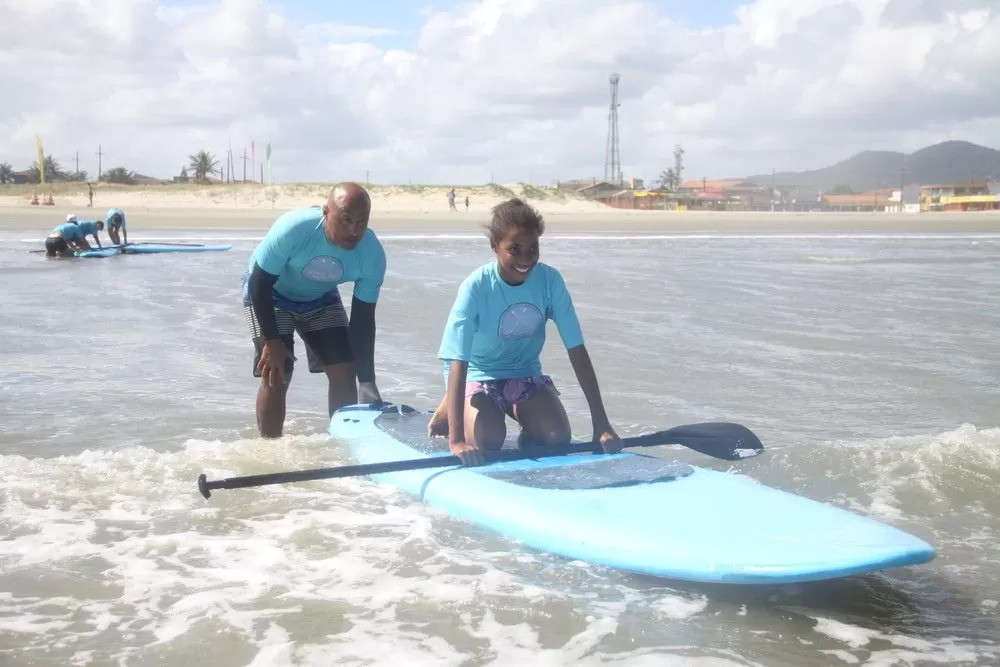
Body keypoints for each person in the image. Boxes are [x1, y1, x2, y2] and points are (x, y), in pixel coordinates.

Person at [428, 197, 623, 466]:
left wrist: (601, 423)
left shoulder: (550, 281)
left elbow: (576, 349)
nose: (525, 258)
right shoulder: (476, 287)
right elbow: (457, 359)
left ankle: (525, 419)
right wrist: (457, 440)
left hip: (524, 374)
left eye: (533, 248)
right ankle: (452, 402)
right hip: (478, 373)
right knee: (489, 441)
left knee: (557, 438)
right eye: (514, 249)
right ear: (494, 246)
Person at [242, 182, 386, 438]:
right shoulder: (295, 230)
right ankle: (270, 448)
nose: (353, 230)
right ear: (326, 212)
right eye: (345, 220)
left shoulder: (371, 253)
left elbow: (363, 321)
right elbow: (259, 283)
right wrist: (272, 343)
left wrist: (367, 380)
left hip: (320, 298)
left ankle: (346, 446)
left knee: (345, 369)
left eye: (361, 222)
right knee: (278, 371)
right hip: (269, 294)